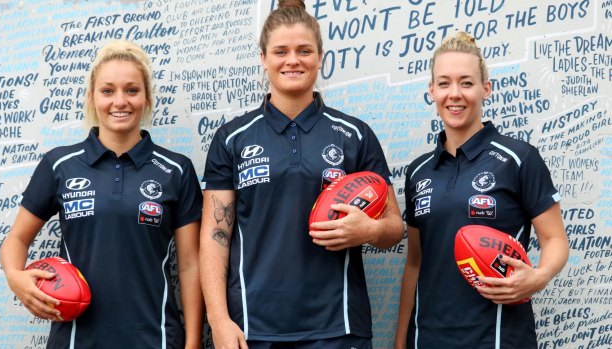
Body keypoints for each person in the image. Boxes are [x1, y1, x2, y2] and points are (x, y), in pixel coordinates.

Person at [199, 1, 404, 348]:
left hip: (338, 328)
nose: (292, 60)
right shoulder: (232, 138)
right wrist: (218, 319)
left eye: (304, 50)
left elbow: (395, 227)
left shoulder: (354, 135)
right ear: (263, 58)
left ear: (320, 58)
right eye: (281, 51)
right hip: (253, 329)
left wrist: (369, 229)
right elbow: (215, 235)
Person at [0, 40, 204, 348]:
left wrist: (192, 342)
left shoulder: (177, 169)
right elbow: (16, 238)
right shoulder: (60, 165)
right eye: (107, 91)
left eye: (132, 90)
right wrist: (15, 277)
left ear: (146, 99)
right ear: (92, 98)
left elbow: (189, 265)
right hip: (75, 340)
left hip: (156, 338)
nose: (119, 101)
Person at [393, 32, 569, 349]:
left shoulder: (519, 159)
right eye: (444, 83)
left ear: (486, 89)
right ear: (432, 91)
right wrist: (400, 338)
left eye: (467, 83)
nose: (455, 94)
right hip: (428, 338)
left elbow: (555, 239)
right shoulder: (418, 172)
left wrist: (538, 277)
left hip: (498, 338)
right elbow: (415, 262)